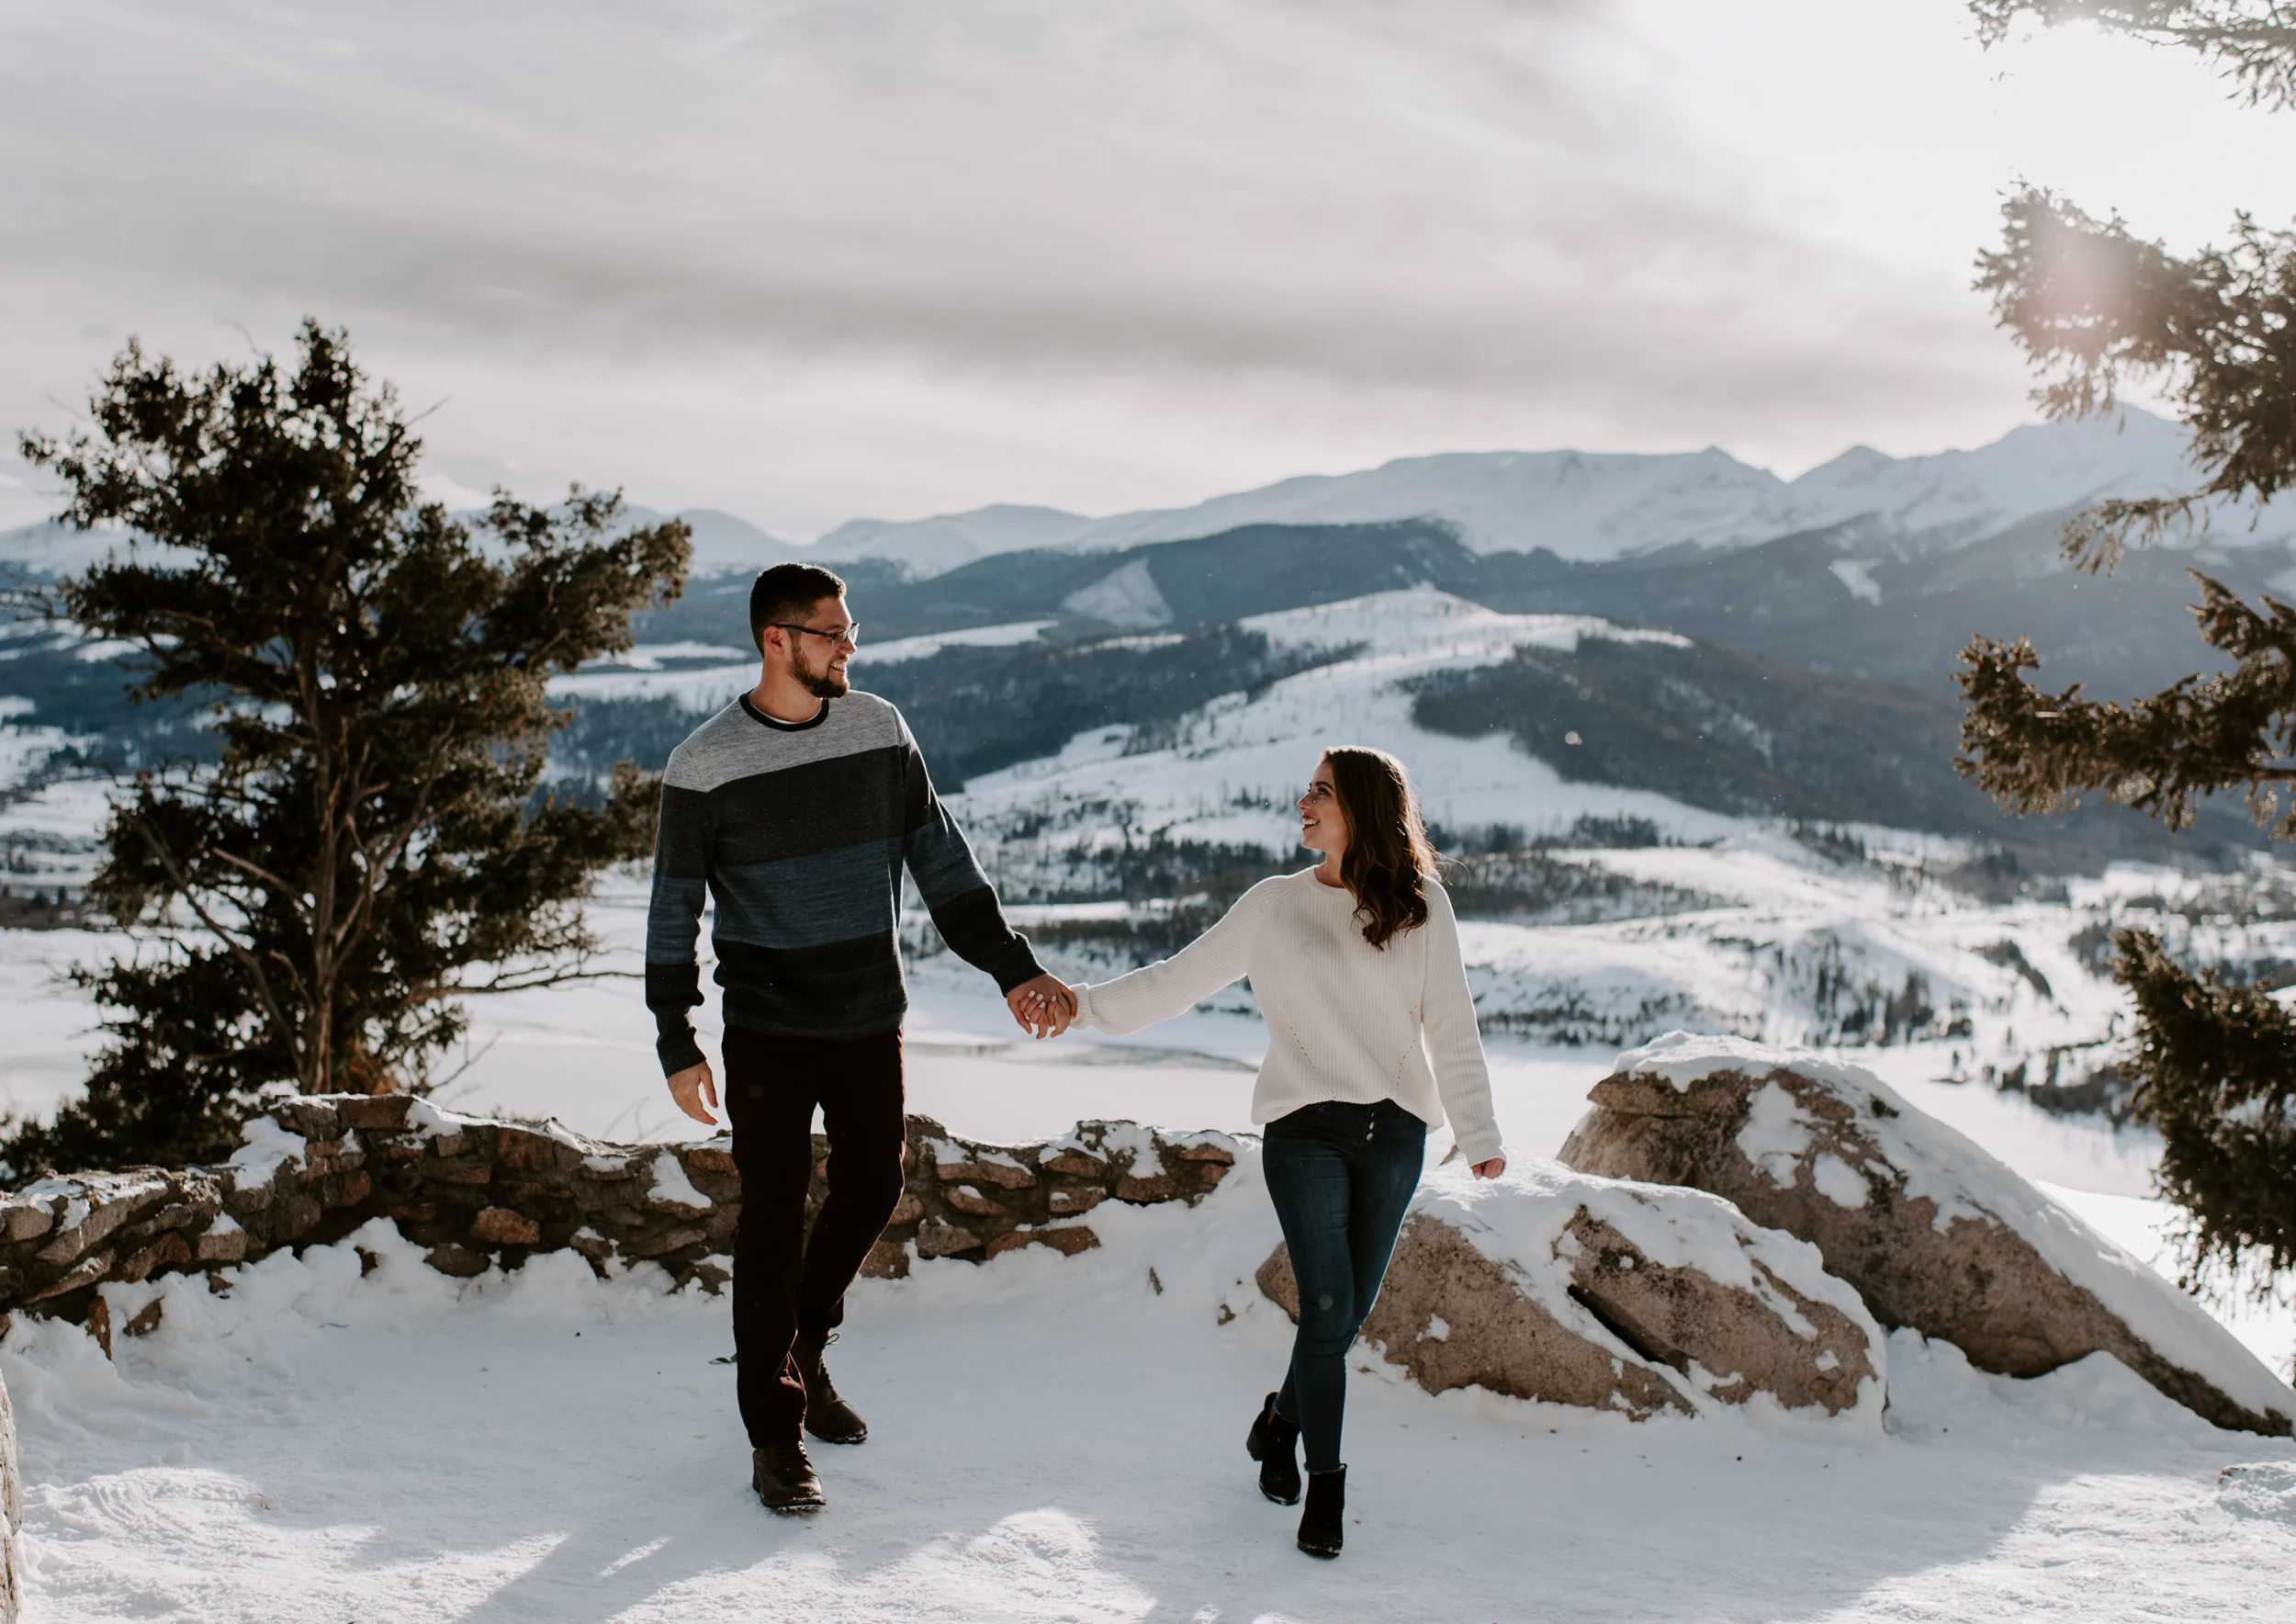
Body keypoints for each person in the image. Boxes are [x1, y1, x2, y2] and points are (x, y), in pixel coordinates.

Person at [646, 560, 1076, 1515]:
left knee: (874, 1184)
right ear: (776, 640)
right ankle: (775, 1435)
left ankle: (803, 1342)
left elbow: (942, 862)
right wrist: (677, 1037)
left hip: (865, 1018)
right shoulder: (705, 764)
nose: (850, 647)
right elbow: (672, 913)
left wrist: (1014, 966)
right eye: (832, 632)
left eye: (850, 631)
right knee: (768, 1224)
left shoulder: (880, 731)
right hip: (764, 1028)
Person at [1045, 747, 1504, 1559]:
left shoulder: (1421, 905)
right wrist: (1079, 1006)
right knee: (1327, 1309)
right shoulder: (1273, 907)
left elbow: (1453, 1028)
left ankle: (1278, 1420)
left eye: (1320, 792)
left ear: (1360, 808)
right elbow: (1175, 981)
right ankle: (1325, 1489)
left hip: (1395, 1132)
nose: (1303, 801)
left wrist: (1481, 1134)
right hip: (1305, 1131)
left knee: (1347, 1314)